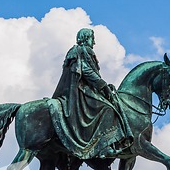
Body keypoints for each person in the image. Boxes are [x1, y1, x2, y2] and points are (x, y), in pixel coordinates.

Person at [48, 28, 132, 160]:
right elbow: (86, 71)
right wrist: (102, 85)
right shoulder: (81, 51)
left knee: (111, 103)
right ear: (85, 38)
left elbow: (92, 74)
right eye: (93, 38)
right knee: (107, 109)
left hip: (85, 88)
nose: (94, 42)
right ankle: (104, 147)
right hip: (79, 91)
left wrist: (104, 86)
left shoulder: (81, 51)